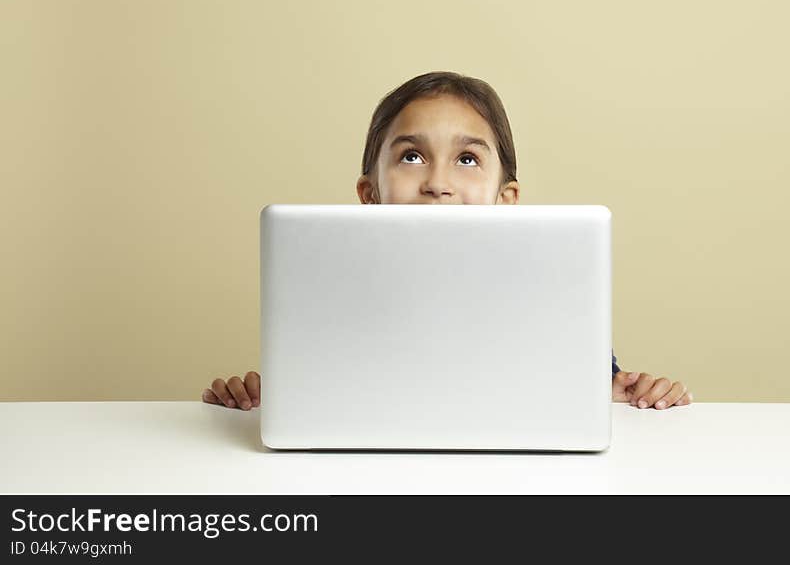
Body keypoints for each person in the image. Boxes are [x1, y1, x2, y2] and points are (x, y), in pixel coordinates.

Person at [202, 71, 694, 412]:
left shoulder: (541, 290)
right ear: (369, 194)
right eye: (412, 157)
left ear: (507, 198)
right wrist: (258, 395)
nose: (438, 181)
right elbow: (312, 394)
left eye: (466, 160)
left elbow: (587, 389)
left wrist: (627, 393)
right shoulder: (336, 290)